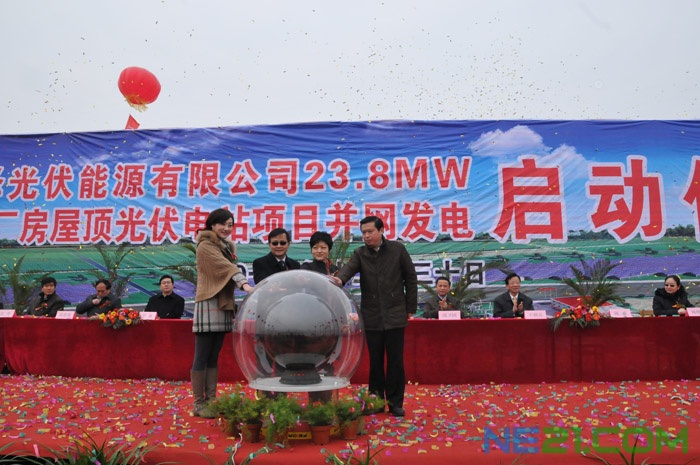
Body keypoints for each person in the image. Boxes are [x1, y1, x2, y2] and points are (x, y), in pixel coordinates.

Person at [334, 216, 417, 417]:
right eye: (363, 232)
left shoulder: (397, 250)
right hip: (371, 315)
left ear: (381, 231)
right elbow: (348, 270)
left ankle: (395, 403)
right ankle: (376, 401)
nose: (366, 236)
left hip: (395, 313)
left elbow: (410, 278)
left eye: (370, 231)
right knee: (376, 362)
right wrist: (339, 279)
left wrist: (410, 307)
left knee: (396, 362)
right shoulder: (360, 253)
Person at [191, 208, 253, 418]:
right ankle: (198, 403)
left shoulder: (225, 246)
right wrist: (245, 284)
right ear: (212, 224)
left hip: (223, 303)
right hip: (208, 302)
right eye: (222, 224)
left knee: (213, 356)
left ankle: (211, 400)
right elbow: (226, 268)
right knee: (202, 355)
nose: (226, 228)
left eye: (230, 225)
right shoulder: (205, 245)